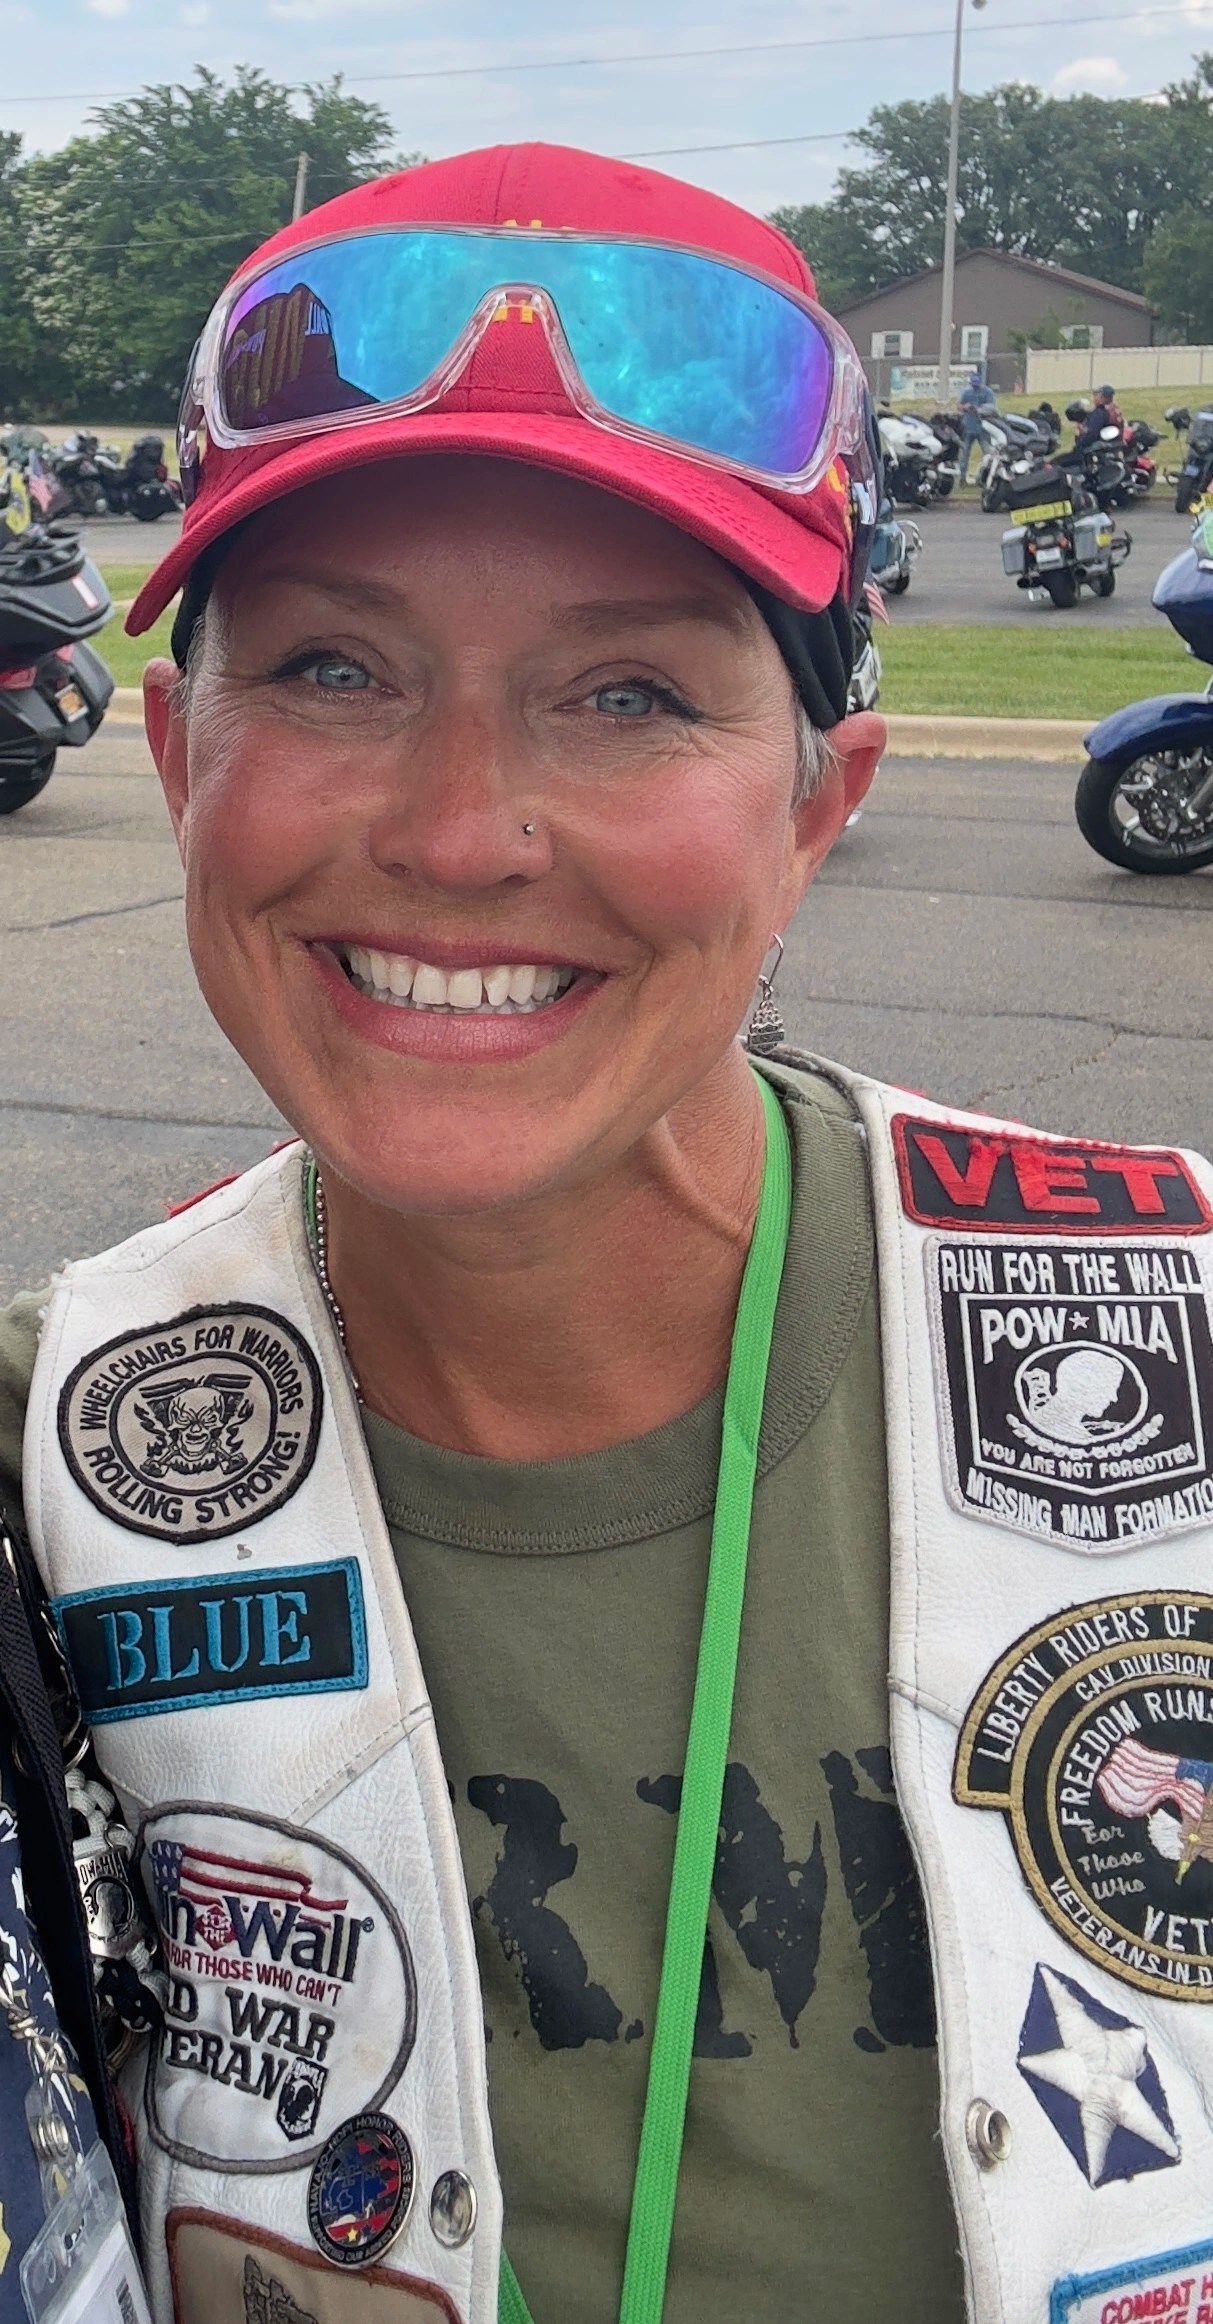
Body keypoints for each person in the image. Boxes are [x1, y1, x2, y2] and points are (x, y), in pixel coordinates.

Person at [3, 140, 1213, 2324]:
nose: (462, 830)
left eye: (630, 693)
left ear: (819, 803)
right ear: (179, 759)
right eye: (335, 671)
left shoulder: (1180, 1339)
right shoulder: (35, 1470)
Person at [957, 366, 997, 482]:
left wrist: (979, 410)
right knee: (964, 453)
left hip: (983, 428)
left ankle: (988, 478)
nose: (975, 385)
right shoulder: (967, 392)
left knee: (987, 453)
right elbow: (959, 406)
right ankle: (962, 478)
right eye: (973, 383)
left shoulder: (988, 392)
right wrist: (965, 407)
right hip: (968, 427)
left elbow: (992, 408)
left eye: (977, 383)